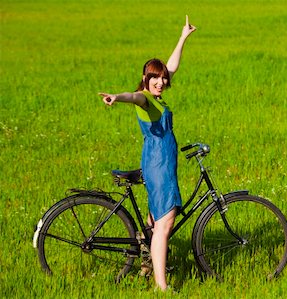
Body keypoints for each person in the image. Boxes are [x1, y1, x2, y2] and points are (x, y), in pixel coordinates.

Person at [99, 15, 196, 291]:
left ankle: (145, 255)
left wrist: (183, 37)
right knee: (165, 224)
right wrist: (117, 97)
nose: (161, 82)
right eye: (155, 78)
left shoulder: (158, 96)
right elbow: (134, 96)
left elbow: (172, 66)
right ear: (145, 78)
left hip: (163, 163)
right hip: (158, 165)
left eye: (163, 79)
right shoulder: (143, 98)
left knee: (157, 220)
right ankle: (161, 286)